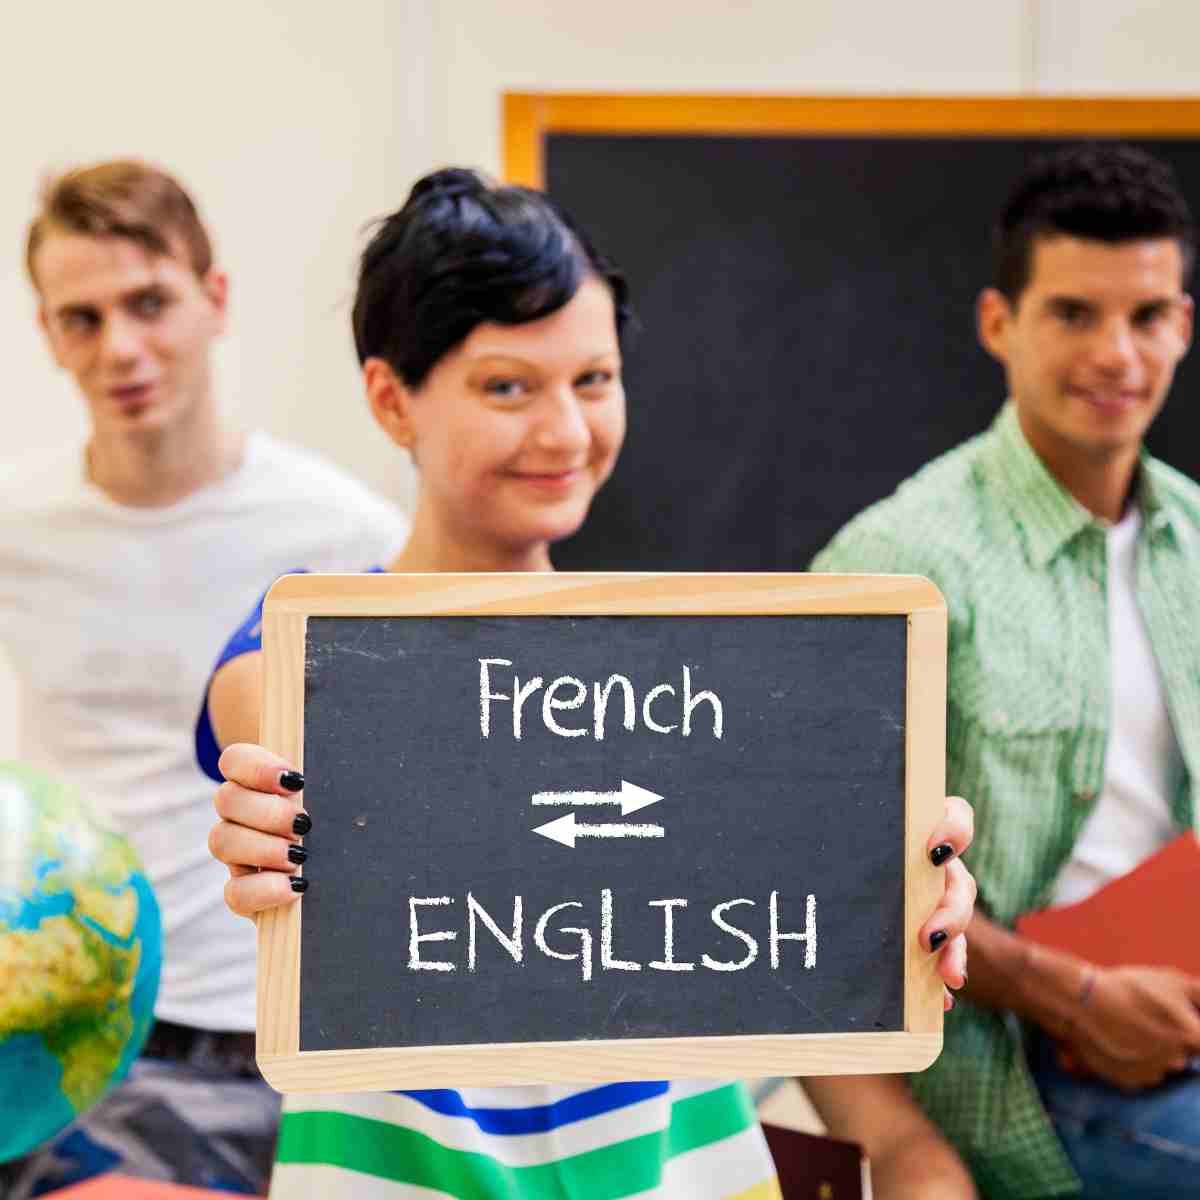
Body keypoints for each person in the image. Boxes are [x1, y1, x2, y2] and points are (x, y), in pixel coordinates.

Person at [203, 166, 978, 1199]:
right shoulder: (308, 650)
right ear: (393, 399)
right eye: (508, 386)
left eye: (595, 380)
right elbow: (270, 730)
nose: (566, 432)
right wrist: (277, 822)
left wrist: (889, 901)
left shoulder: (697, 673)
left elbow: (779, 933)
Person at [0, 160, 408, 1196]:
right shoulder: (15, 529)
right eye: (81, 318)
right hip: (87, 1038)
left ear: (214, 298)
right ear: (48, 335)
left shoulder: (344, 529)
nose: (121, 348)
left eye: (150, 303)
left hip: (302, 1033)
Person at [812, 143, 1200, 1200]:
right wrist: (1072, 995)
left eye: (1148, 315)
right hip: (1025, 1065)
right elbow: (816, 876)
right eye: (1074, 313)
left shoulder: (1197, 543)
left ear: (1184, 324)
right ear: (1000, 324)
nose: (1118, 354)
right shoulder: (899, 561)